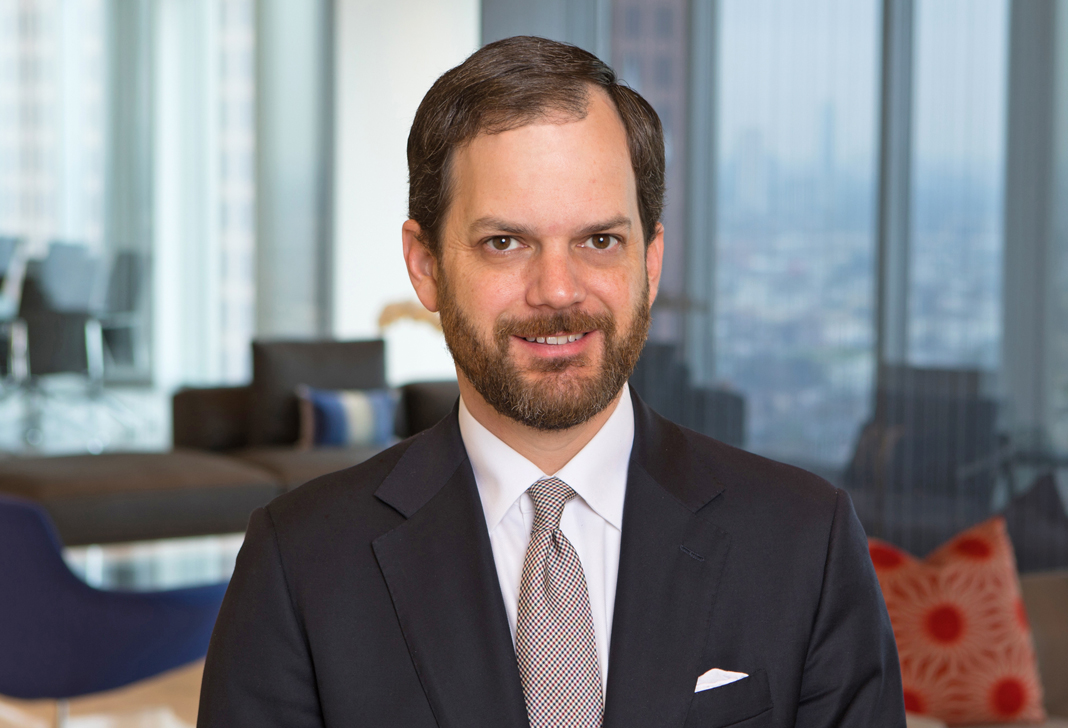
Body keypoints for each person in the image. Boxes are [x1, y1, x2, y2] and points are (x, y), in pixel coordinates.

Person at [198, 36, 906, 728]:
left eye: (600, 240)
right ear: (426, 265)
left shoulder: (804, 542)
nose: (559, 290)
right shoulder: (300, 563)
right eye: (505, 242)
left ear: (650, 262)